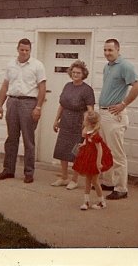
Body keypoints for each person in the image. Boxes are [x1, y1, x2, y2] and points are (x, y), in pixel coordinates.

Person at [0, 38, 46, 183]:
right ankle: (8, 170)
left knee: (28, 140)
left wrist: (38, 107)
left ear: (30, 50)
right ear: (17, 49)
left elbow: (42, 88)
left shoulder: (37, 65)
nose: (24, 52)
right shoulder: (10, 64)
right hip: (12, 102)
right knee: (11, 139)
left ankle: (29, 172)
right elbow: (5, 86)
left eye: (27, 50)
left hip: (29, 103)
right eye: (22, 49)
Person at [98, 38, 138, 200]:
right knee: (106, 151)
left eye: (110, 50)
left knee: (117, 153)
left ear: (118, 50)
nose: (107, 53)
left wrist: (123, 104)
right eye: (105, 50)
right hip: (103, 114)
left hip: (114, 116)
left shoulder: (125, 66)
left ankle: (121, 188)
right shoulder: (107, 67)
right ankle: (109, 182)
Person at [51, 60, 95, 190]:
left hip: (78, 124)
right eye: (74, 72)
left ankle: (74, 180)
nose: (75, 74)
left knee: (76, 153)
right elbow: (62, 105)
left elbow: (90, 110)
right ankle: (64, 177)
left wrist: (87, 127)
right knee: (62, 150)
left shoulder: (87, 90)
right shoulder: (67, 86)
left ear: (83, 74)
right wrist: (56, 120)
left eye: (78, 73)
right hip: (65, 122)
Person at [72, 111, 113, 210]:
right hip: (88, 157)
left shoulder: (95, 135)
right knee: (87, 180)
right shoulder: (88, 132)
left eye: (84, 120)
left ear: (88, 122)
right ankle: (86, 201)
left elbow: (100, 150)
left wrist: (98, 163)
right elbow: (86, 140)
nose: (83, 121)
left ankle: (101, 202)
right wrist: (84, 144)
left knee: (95, 181)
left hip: (94, 160)